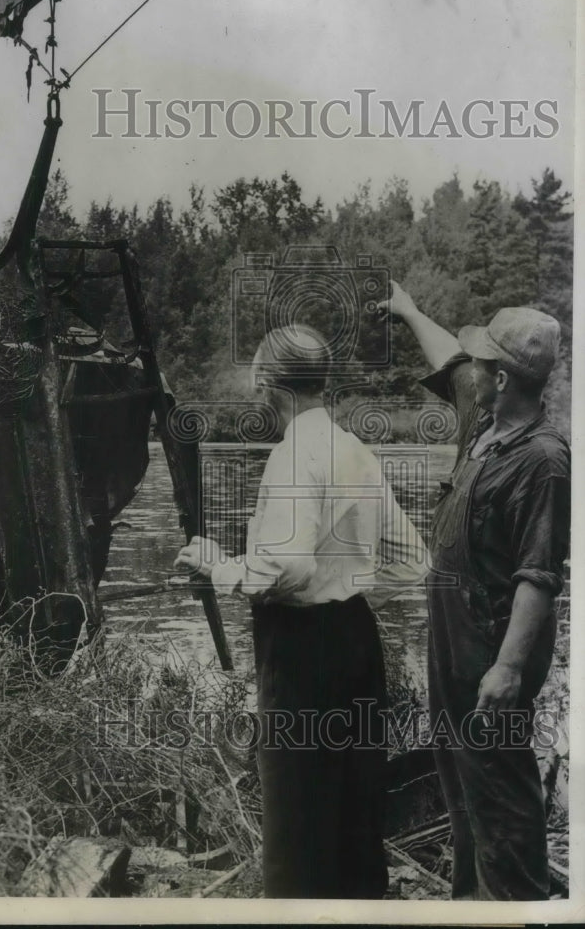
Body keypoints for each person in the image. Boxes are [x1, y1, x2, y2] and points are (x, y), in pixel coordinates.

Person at [174, 323, 427, 899]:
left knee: (296, 819)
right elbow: (413, 560)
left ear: (265, 381)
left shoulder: (294, 454)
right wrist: (345, 589)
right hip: (355, 640)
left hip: (300, 651)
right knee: (355, 813)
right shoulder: (352, 448)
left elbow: (290, 569)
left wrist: (220, 570)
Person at [378, 283, 570, 900]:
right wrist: (409, 310)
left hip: (492, 649)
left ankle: (517, 904)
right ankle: (471, 904)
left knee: (502, 790)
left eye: (483, 362)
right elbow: (449, 360)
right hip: (453, 644)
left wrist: (510, 668)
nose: (472, 371)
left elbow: (538, 575)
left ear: (505, 380)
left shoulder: (543, 461)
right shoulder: (484, 422)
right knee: (461, 780)